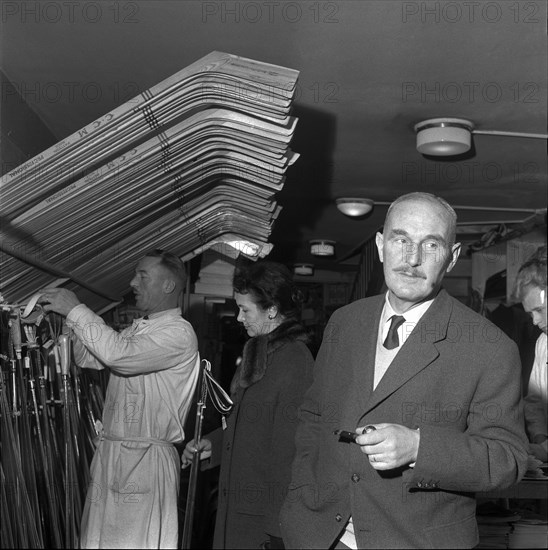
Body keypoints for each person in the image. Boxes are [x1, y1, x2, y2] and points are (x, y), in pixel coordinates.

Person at [280, 192, 529, 549]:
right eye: (401, 239)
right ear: (381, 246)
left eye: (431, 245)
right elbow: (313, 417)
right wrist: (300, 500)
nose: (411, 259)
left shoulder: (490, 347)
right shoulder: (344, 322)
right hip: (318, 534)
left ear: (452, 257)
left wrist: (418, 447)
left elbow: (509, 460)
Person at [40, 249, 200, 549]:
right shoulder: (141, 328)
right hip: (115, 454)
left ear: (168, 285)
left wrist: (77, 310)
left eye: (142, 275)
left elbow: (118, 356)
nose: (132, 283)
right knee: (99, 541)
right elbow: (92, 358)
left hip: (144, 462)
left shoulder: (178, 334)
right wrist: (71, 326)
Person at [181, 260, 314, 549]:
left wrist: (276, 533)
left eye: (245, 310)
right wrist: (212, 445)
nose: (239, 318)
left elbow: (289, 453)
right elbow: (248, 425)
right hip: (238, 508)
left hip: (262, 523)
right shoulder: (258, 352)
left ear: (272, 310)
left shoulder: (295, 360)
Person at [512, 244, 547, 462]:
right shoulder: (542, 343)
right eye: (530, 313)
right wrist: (541, 440)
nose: (534, 321)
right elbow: (534, 401)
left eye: (540, 310)